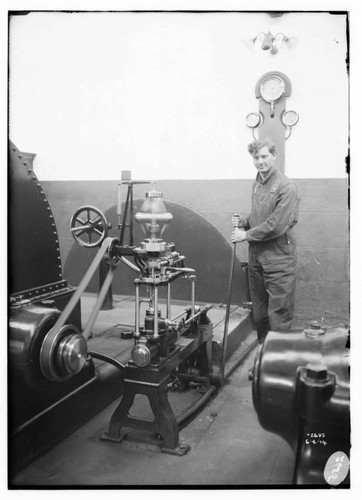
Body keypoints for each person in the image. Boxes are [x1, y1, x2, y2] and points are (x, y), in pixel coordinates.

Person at [231, 138, 300, 343]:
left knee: (279, 315)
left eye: (264, 156)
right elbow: (260, 217)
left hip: (279, 258)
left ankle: (278, 363)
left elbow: (278, 225)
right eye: (256, 157)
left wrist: (246, 235)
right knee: (260, 314)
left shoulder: (286, 186)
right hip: (257, 258)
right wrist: (245, 222)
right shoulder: (257, 183)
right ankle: (265, 354)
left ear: (274, 156)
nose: (260, 161)